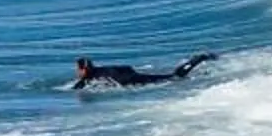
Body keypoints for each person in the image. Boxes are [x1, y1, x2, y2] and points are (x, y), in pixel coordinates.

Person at [73, 53, 216, 89]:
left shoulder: (87, 79)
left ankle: (198, 60)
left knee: (174, 78)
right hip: (135, 76)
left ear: (83, 69)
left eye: (78, 69)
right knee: (172, 77)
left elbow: (77, 89)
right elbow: (127, 67)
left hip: (131, 81)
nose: (78, 73)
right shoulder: (104, 68)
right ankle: (199, 59)